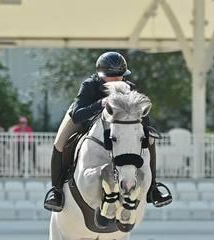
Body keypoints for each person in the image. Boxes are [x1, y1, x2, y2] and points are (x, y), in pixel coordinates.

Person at [44, 51, 172, 212]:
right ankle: (56, 191)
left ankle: (153, 188)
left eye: (120, 76)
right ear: (101, 75)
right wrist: (101, 103)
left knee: (151, 140)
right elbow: (78, 114)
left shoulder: (129, 87)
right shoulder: (90, 84)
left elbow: (139, 115)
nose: (117, 80)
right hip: (84, 119)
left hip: (115, 125)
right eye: (112, 76)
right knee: (60, 143)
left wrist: (145, 128)